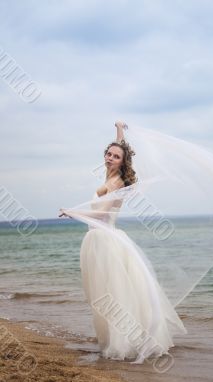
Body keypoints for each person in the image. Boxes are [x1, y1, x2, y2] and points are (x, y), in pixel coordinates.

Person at [59, 121, 188, 363]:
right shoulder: (108, 174)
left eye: (115, 156)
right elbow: (122, 147)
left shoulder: (117, 183)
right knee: (102, 294)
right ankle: (109, 340)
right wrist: (119, 130)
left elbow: (101, 216)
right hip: (96, 241)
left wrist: (72, 212)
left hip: (107, 241)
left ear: (122, 162)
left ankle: (124, 344)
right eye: (108, 153)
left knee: (113, 294)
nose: (109, 158)